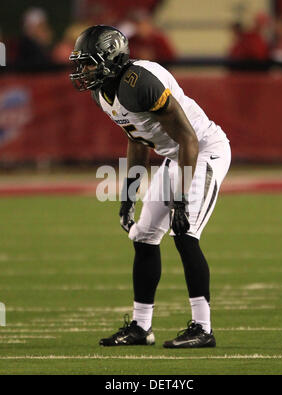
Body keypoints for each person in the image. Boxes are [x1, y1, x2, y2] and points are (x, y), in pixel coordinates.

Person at [69, 25, 231, 348]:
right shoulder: (104, 93)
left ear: (110, 59)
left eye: (88, 63)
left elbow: (188, 138)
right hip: (178, 155)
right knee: (143, 235)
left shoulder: (140, 82)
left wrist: (182, 201)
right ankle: (141, 328)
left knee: (185, 234)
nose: (82, 71)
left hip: (203, 150)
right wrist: (128, 196)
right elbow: (138, 141)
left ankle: (203, 328)